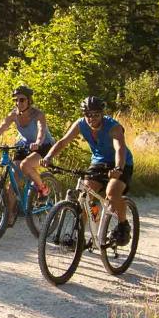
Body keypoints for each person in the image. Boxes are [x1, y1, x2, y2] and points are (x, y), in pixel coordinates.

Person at [43, 96, 133, 246]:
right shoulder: (80, 124)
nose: (91, 118)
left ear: (102, 114)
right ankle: (84, 233)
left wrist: (118, 168)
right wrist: (48, 157)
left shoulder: (113, 126)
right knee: (86, 196)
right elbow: (63, 141)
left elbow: (120, 148)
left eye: (96, 114)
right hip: (99, 162)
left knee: (112, 192)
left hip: (122, 162)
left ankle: (123, 224)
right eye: (88, 115)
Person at [0, 84, 54, 198]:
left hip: (44, 145)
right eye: (16, 100)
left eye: (22, 100)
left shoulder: (38, 114)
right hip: (25, 145)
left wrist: (37, 143)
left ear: (29, 100)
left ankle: (43, 188)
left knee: (25, 165)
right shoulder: (14, 114)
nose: (18, 103)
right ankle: (10, 215)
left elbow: (41, 131)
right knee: (11, 187)